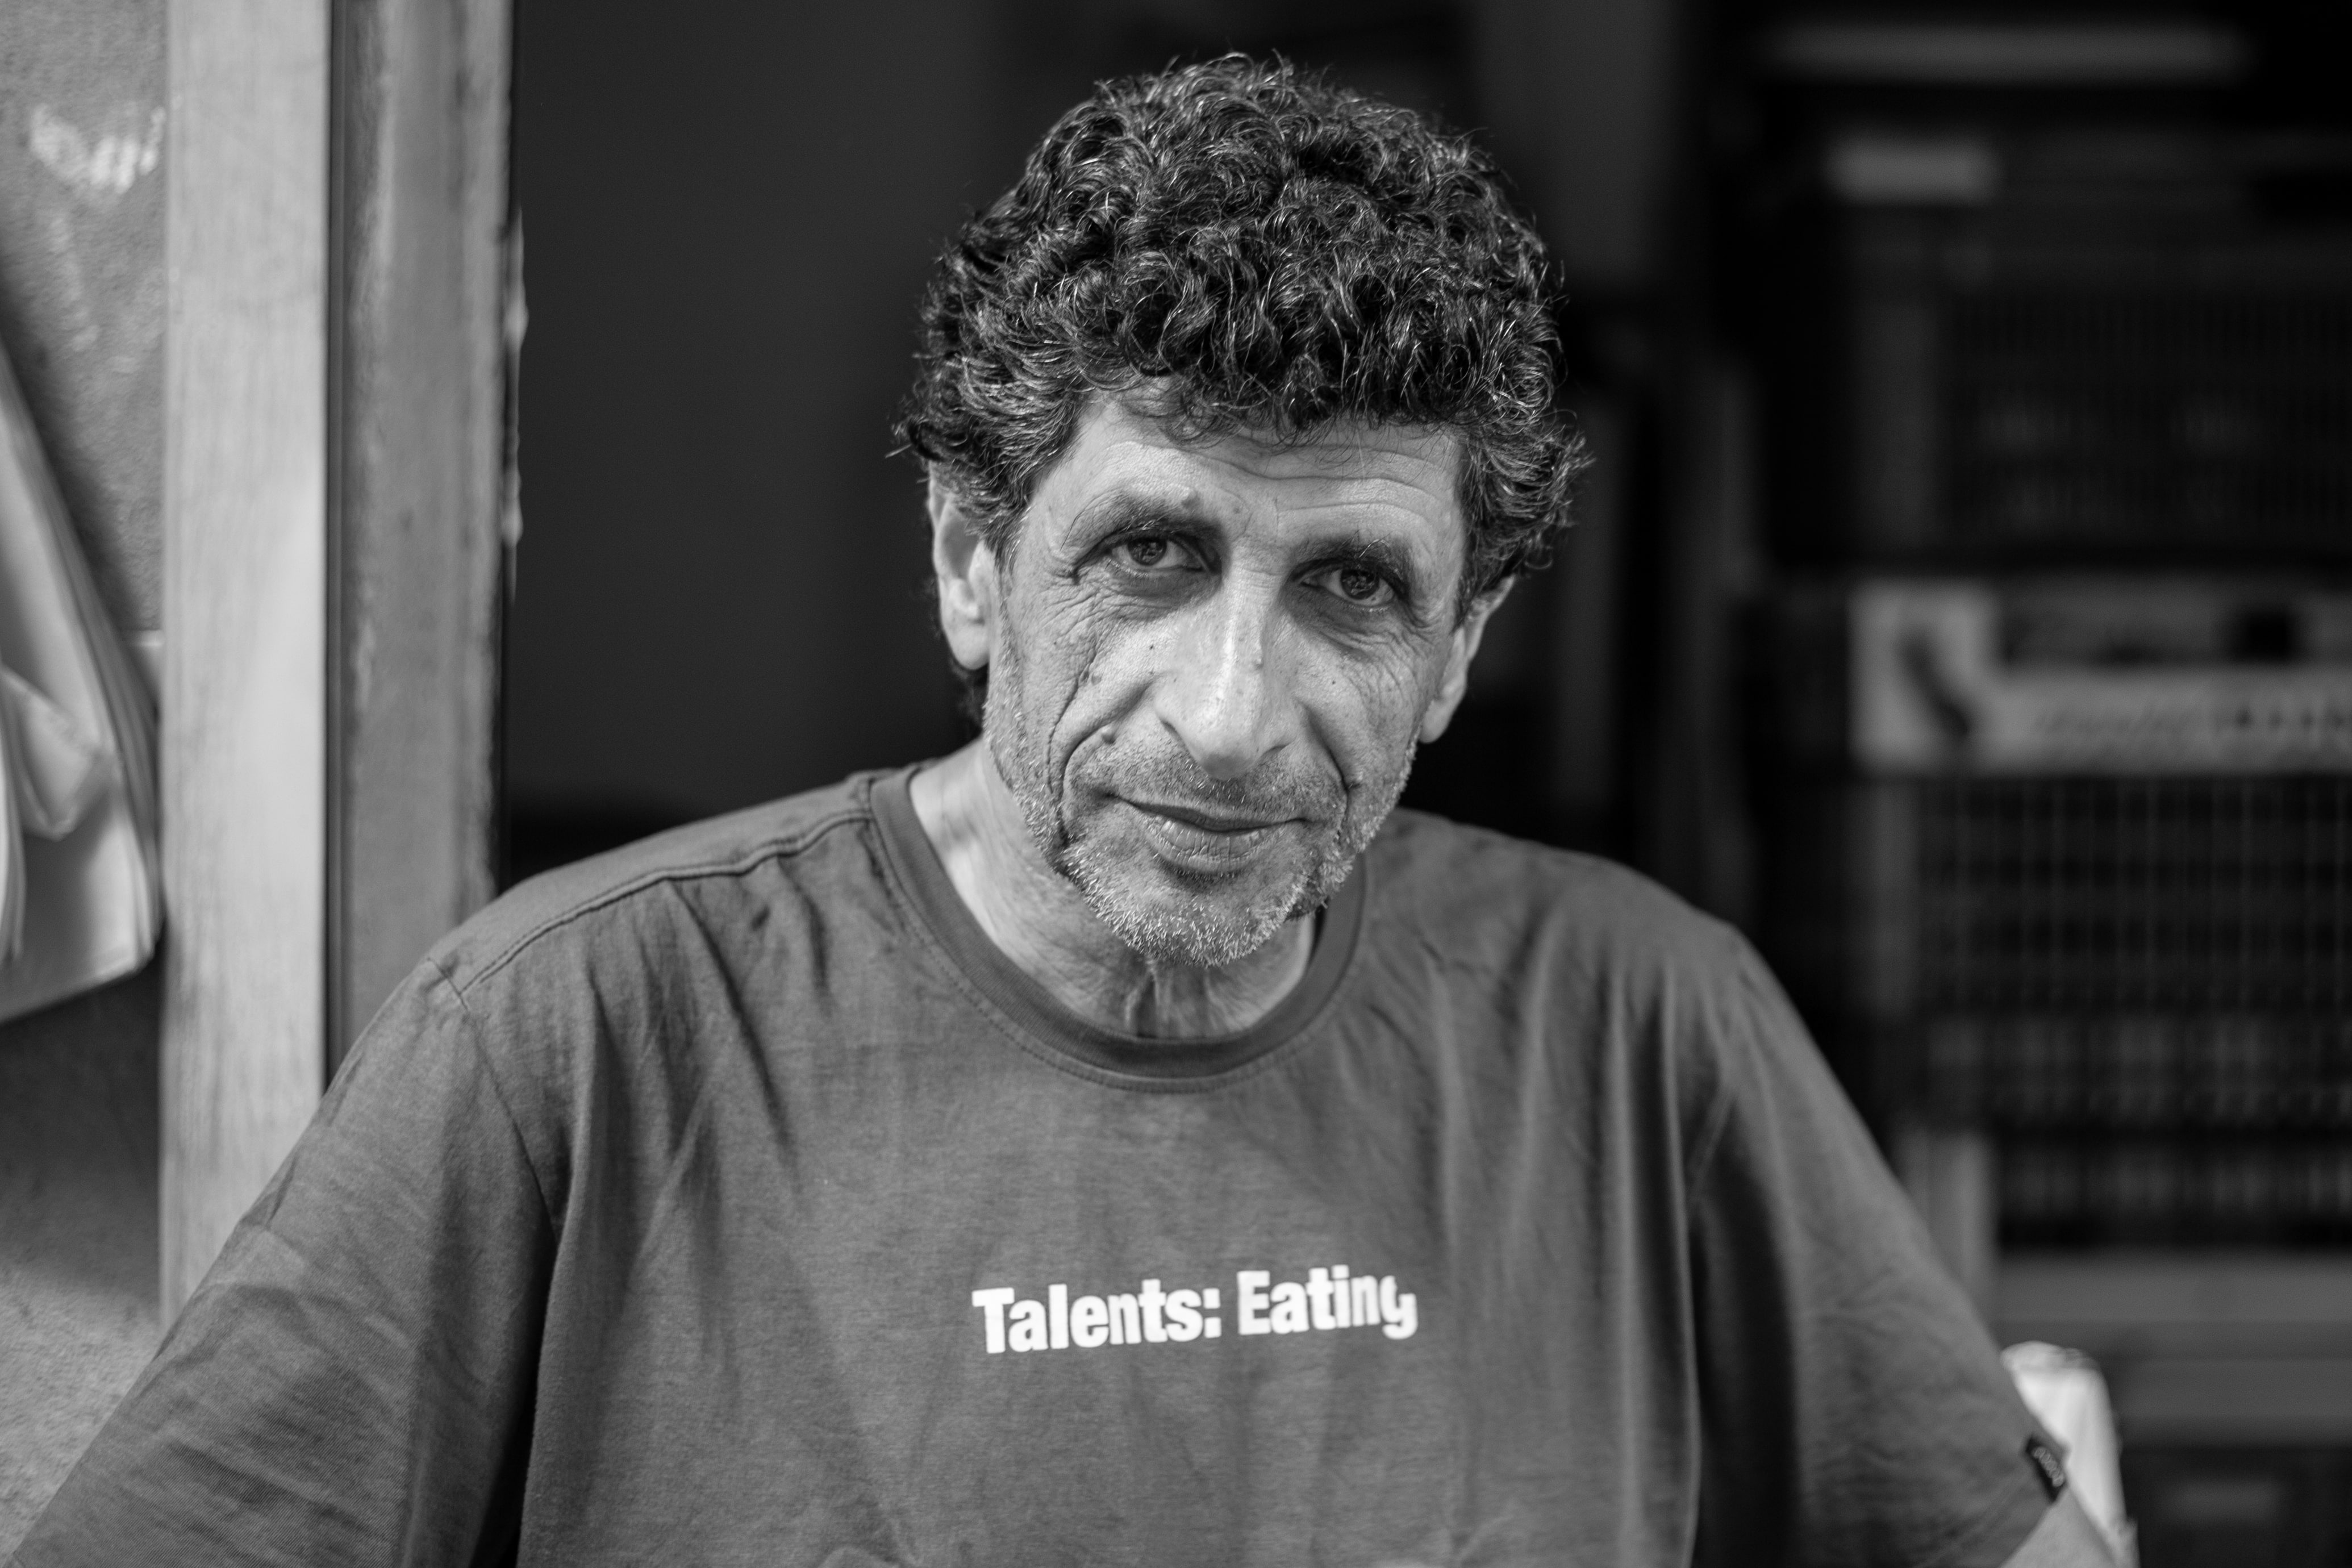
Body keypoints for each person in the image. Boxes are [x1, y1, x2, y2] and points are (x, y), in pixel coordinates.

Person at [15, 57, 2111, 1568]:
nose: (1225, 718)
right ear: (963, 558)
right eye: (1149, 556)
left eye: (1354, 590)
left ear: (1463, 646)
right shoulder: (574, 1036)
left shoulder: (1648, 1028)